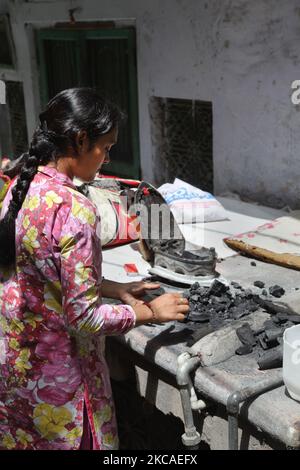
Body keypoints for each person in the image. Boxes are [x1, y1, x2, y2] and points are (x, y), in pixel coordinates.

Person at [0, 88, 189, 450]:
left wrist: (114, 288)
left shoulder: (21, 187)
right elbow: (82, 318)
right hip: (63, 395)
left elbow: (43, 274)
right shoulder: (74, 209)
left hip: (20, 378)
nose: (107, 158)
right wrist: (148, 312)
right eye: (106, 147)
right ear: (81, 139)